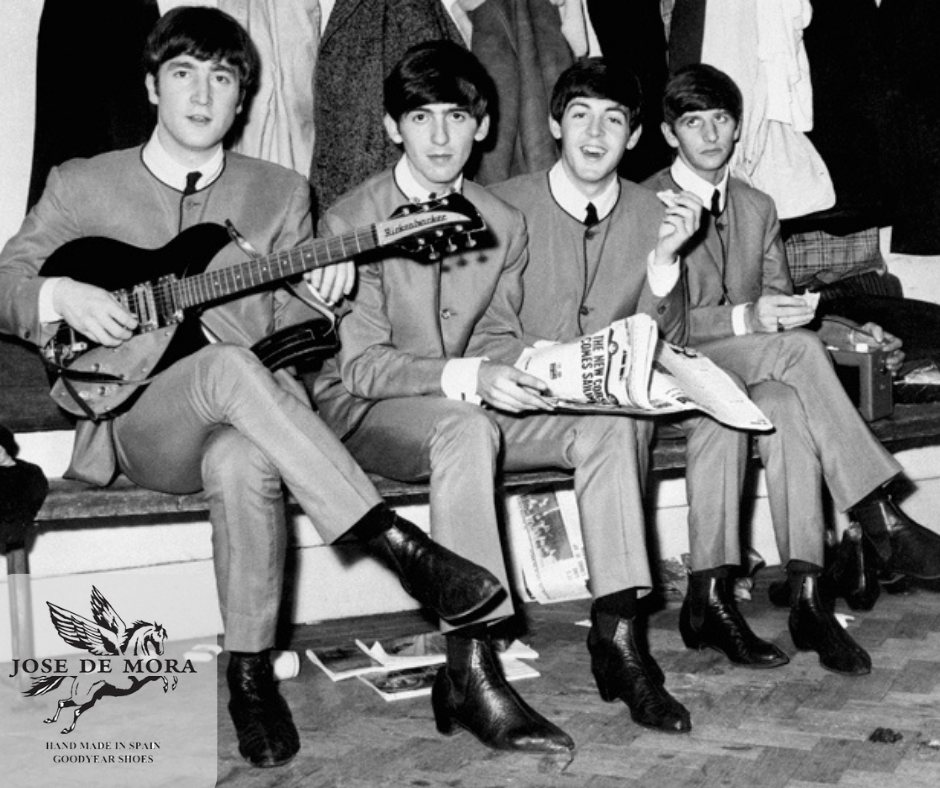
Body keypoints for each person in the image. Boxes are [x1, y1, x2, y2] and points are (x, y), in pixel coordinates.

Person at [0, 8, 507, 769]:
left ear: (243, 98)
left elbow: (291, 332)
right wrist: (57, 295)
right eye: (183, 74)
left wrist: (322, 298)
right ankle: (393, 542)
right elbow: (3, 284)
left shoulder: (279, 192)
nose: (203, 95)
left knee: (242, 456)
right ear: (152, 87)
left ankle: (250, 674)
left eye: (222, 78)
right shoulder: (82, 183)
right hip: (136, 419)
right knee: (227, 368)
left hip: (246, 424)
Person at [311, 41, 702, 741]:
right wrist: (472, 378)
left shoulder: (501, 219)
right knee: (465, 426)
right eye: (421, 117)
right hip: (373, 413)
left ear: (483, 126)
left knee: (610, 422)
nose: (440, 137)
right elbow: (363, 367)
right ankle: (473, 666)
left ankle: (618, 641)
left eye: (457, 117)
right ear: (392, 127)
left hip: (470, 408)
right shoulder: (351, 221)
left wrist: (547, 369)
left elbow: (495, 336)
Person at [491, 57, 792, 709]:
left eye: (613, 120)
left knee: (721, 408)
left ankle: (711, 597)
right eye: (580, 116)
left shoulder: (650, 209)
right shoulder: (506, 205)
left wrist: (663, 262)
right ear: (554, 125)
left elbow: (672, 333)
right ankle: (620, 634)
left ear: (632, 136)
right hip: (531, 397)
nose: (595, 134)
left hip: (623, 387)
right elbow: (479, 325)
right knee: (615, 425)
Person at [642, 63, 940, 675]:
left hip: (755, 366)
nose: (710, 134)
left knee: (784, 404)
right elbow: (652, 324)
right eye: (693, 122)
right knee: (795, 361)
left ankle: (804, 596)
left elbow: (784, 315)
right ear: (670, 134)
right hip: (674, 363)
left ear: (738, 127)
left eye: (721, 119)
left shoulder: (756, 205)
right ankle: (877, 513)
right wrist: (746, 317)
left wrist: (850, 334)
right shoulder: (644, 204)